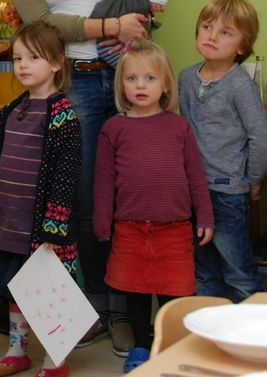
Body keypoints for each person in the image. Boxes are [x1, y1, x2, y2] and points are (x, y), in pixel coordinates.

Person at [0, 0, 148, 353]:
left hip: (124, 71)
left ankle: (128, 311)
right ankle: (88, 312)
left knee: (129, 194)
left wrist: (140, 16)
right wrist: (110, 23)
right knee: (79, 200)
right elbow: (40, 21)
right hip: (75, 80)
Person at [94, 39, 214, 373]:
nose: (140, 85)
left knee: (173, 292)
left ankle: (170, 346)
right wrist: (102, 219)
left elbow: (195, 175)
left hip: (174, 229)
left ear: (165, 85)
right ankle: (141, 347)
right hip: (130, 228)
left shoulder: (179, 127)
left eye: (149, 78)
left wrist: (204, 215)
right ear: (122, 85)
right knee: (135, 291)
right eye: (132, 79)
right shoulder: (113, 129)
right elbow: (104, 180)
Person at [0, 22, 81, 377]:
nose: (22, 65)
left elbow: (66, 177)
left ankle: (56, 358)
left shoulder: (64, 117)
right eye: (18, 57)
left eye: (32, 57)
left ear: (55, 63)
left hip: (44, 229)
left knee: (45, 293)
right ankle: (18, 349)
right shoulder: (9, 112)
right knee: (17, 288)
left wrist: (54, 229)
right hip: (10, 222)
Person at [178, 0, 267, 302]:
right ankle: (209, 332)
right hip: (193, 190)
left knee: (237, 269)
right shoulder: (187, 78)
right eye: (207, 27)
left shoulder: (240, 86)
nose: (212, 36)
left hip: (228, 191)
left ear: (242, 47)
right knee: (204, 270)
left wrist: (254, 178)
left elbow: (260, 136)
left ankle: (250, 331)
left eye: (225, 33)